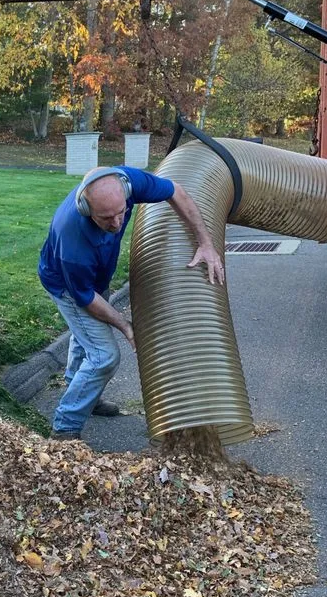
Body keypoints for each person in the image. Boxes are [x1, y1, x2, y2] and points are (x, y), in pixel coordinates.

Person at [38, 165, 225, 440]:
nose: (116, 224)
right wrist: (125, 326)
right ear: (86, 210)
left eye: (121, 212)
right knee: (104, 357)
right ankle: (64, 428)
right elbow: (86, 299)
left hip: (96, 274)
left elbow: (177, 191)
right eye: (105, 219)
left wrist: (205, 243)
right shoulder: (72, 240)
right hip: (66, 285)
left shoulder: (129, 182)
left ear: (125, 192)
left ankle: (83, 391)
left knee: (85, 337)